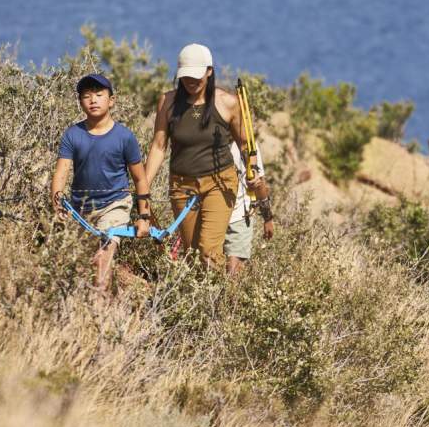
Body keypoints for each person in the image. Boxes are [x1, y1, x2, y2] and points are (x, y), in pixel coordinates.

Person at [145, 43, 270, 271]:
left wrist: (254, 176)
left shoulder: (228, 103)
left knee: (209, 252)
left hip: (219, 183)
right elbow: (158, 147)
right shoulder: (168, 102)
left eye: (197, 76)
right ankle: (204, 301)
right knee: (192, 254)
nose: (191, 82)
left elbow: (245, 145)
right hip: (182, 185)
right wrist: (143, 188)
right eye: (186, 76)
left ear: (209, 71)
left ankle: (219, 303)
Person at [51, 73, 151, 297]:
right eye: (86, 96)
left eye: (98, 95)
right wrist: (57, 204)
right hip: (80, 209)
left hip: (114, 205)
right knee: (78, 264)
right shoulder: (72, 134)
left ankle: (99, 317)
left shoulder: (125, 137)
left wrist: (144, 216)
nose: (93, 100)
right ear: (80, 102)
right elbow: (61, 173)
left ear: (111, 100)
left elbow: (140, 179)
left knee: (101, 259)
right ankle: (91, 306)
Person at [224, 142, 274, 276]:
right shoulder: (207, 136)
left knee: (233, 274)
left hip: (239, 217)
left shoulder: (248, 143)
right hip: (211, 215)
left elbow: (259, 182)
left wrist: (267, 217)